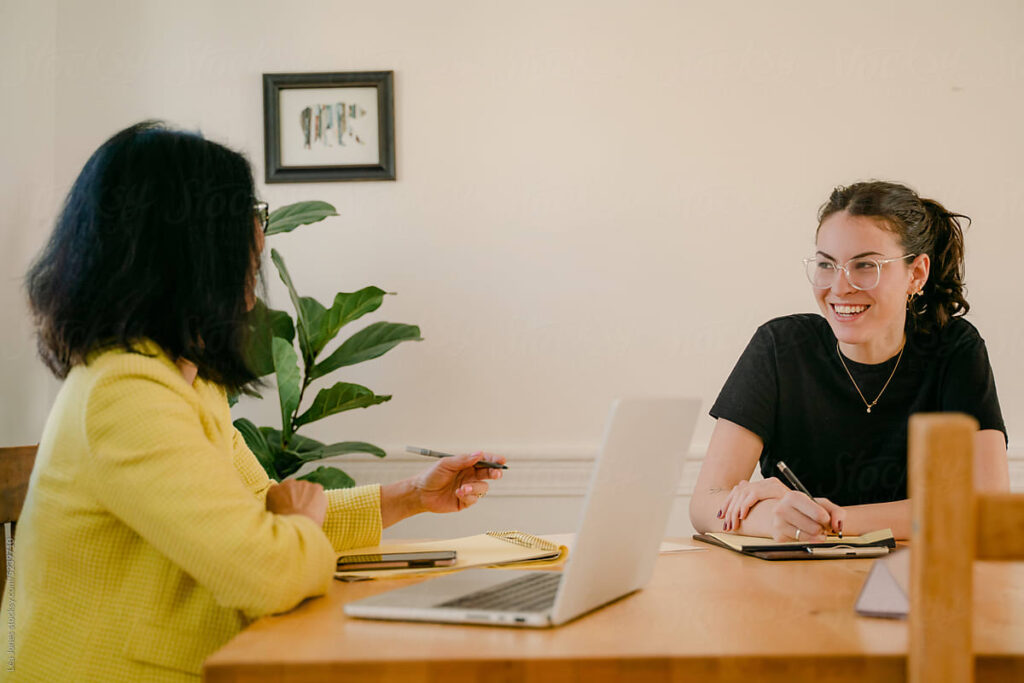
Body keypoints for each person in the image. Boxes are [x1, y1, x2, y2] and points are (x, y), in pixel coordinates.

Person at [3, 121, 504, 682]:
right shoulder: (124, 395)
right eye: (250, 215)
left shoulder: (188, 382)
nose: (260, 239)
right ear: (193, 240)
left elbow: (269, 511)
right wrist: (293, 523)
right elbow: (268, 569)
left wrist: (414, 495)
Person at [690, 180, 1008, 543]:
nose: (839, 288)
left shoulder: (955, 349)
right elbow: (704, 504)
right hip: (792, 585)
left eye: (865, 266)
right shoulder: (779, 347)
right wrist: (774, 518)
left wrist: (833, 520)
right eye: (827, 265)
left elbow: (986, 505)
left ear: (916, 274)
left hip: (917, 583)